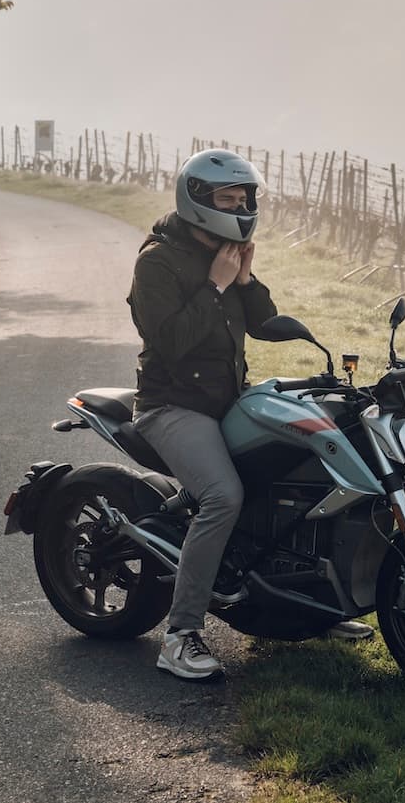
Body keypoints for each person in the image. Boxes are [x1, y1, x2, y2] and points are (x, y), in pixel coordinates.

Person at [126, 149, 371, 681]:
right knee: (223, 496)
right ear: (198, 202)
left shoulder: (229, 251)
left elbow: (260, 322)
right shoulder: (157, 262)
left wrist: (245, 280)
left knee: (300, 467)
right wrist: (214, 284)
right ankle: (181, 636)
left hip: (229, 399)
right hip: (173, 405)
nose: (240, 207)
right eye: (228, 199)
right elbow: (169, 343)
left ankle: (309, 605)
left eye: (245, 198)